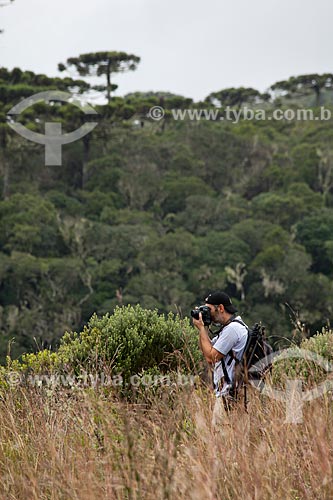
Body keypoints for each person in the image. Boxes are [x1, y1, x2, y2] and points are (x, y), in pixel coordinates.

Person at [192, 291, 248, 427]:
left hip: (229, 394)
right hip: (231, 393)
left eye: (209, 309)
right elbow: (208, 349)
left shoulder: (232, 329)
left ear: (221, 308)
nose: (207, 313)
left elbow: (211, 357)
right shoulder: (228, 329)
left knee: (221, 440)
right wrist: (203, 327)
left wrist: (201, 329)